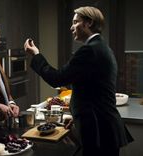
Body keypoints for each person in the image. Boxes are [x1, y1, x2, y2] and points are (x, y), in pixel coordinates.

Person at [24, 6, 133, 156]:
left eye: (75, 22)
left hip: (98, 129)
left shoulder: (89, 51)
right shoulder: (102, 47)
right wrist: (77, 118)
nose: (71, 27)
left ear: (88, 23)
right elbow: (92, 90)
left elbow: (57, 79)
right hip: (104, 126)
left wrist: (36, 55)